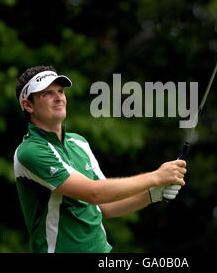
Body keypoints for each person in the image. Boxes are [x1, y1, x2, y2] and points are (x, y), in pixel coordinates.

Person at [13, 65, 187, 253]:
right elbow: (94, 193)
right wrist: (156, 177)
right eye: (47, 93)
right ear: (28, 105)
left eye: (61, 91)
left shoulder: (78, 142)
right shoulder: (30, 152)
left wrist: (153, 193)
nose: (58, 97)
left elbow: (104, 206)